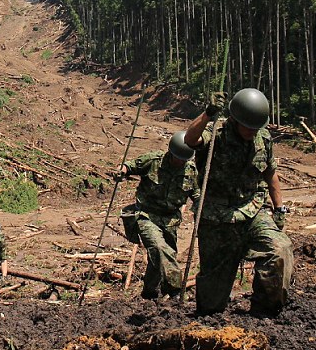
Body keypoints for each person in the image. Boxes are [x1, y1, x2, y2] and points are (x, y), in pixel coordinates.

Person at [183, 88, 293, 316]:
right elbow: (189, 139)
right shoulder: (216, 132)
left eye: (256, 127)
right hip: (216, 218)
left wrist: (279, 208)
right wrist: (208, 113)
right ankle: (210, 317)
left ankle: (265, 313)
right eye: (248, 127)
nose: (253, 132)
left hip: (252, 211)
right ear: (234, 119)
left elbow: (270, 173)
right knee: (211, 302)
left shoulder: (263, 138)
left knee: (279, 249)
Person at [116, 131, 199, 300]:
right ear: (170, 152)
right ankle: (176, 290)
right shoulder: (154, 161)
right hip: (146, 215)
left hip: (170, 221)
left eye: (185, 159)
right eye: (178, 157)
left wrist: (202, 211)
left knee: (160, 257)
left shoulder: (191, 172)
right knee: (159, 248)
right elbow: (129, 166)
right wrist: (121, 171)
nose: (181, 162)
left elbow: (197, 196)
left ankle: (149, 293)